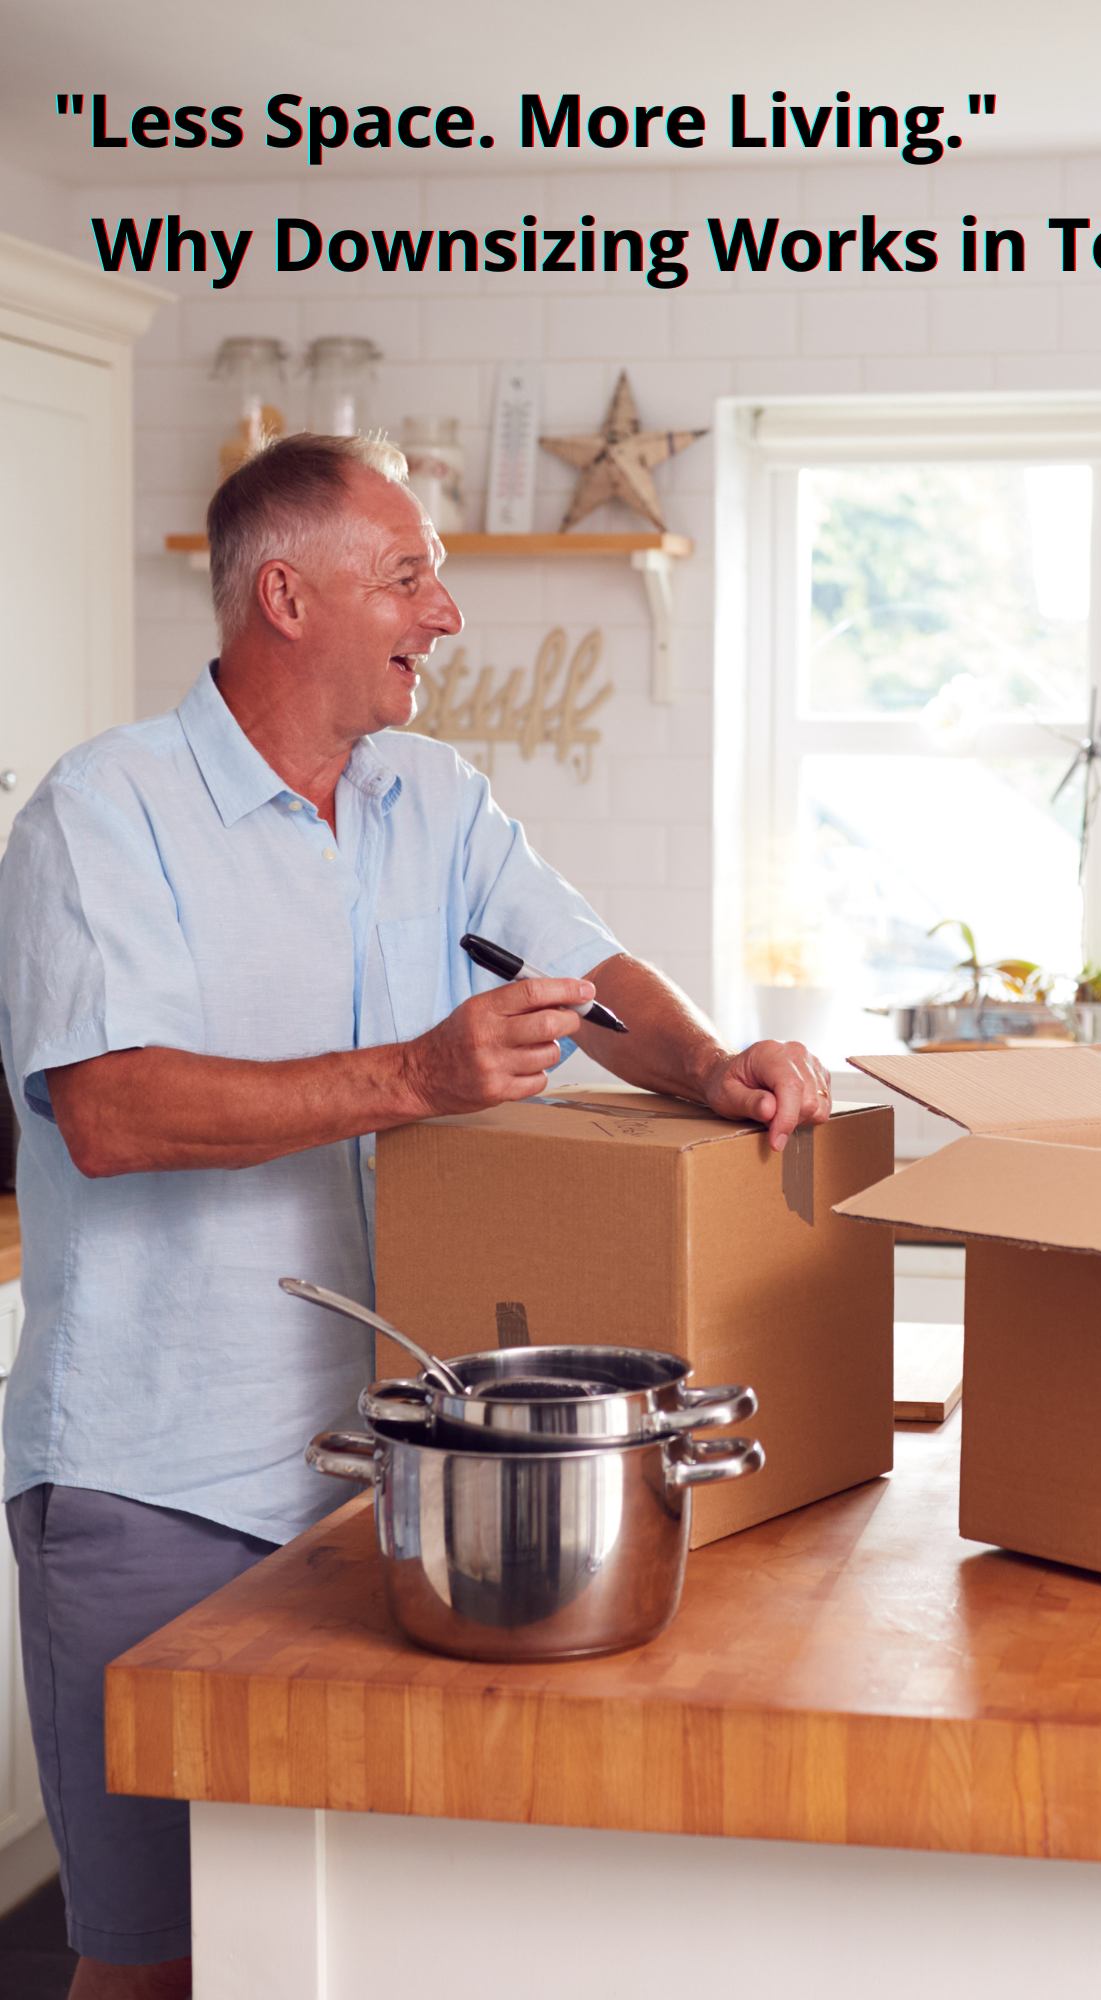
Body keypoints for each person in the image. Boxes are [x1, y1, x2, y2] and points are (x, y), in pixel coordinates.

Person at [0, 434, 833, 2000]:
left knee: (336, 1939)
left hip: (374, 1487)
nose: (444, 612)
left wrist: (716, 1068)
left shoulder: (428, 796)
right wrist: (418, 1074)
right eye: (409, 573)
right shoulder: (99, 814)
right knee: (159, 1958)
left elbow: (583, 986)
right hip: (150, 1486)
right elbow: (109, 1114)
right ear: (285, 594)